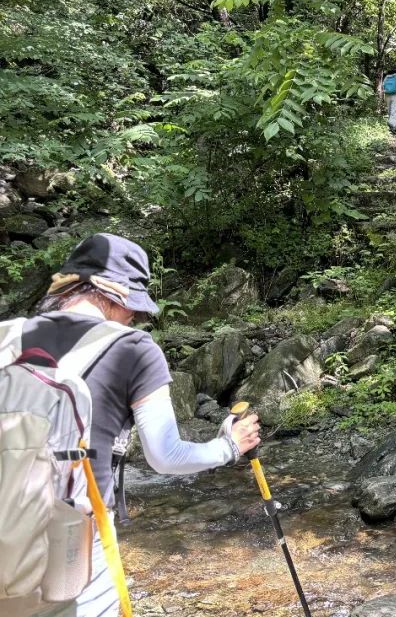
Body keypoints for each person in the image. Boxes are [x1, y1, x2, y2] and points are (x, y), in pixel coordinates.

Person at [2, 233, 261, 617]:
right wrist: (229, 446)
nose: (135, 318)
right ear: (114, 294)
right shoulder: (133, 349)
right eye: (135, 309)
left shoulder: (6, 335)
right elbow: (166, 455)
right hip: (69, 549)